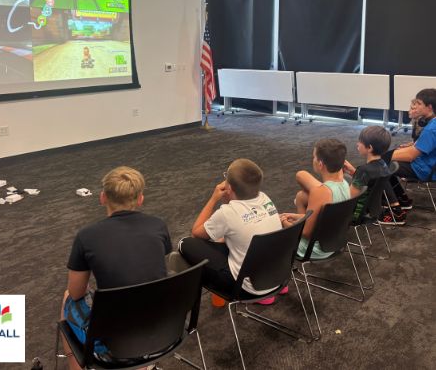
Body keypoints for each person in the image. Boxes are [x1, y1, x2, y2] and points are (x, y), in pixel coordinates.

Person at [60, 167, 172, 370]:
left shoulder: (86, 236)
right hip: (163, 333)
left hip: (114, 346)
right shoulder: (159, 225)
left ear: (103, 198)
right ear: (140, 200)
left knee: (68, 295)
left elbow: (76, 293)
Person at [171, 159, 282, 301]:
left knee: (184, 243)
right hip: (277, 277)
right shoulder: (265, 198)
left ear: (230, 188)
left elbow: (196, 233)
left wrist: (213, 199)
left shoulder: (228, 212)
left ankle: (194, 272)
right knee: (228, 238)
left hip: (247, 288)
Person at [280, 138, 350, 260]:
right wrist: (298, 217)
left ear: (320, 164)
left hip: (314, 250)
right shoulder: (344, 183)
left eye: (314, 157)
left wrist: (284, 222)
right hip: (334, 243)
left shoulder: (319, 192)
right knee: (300, 197)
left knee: (272, 234)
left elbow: (306, 234)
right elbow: (326, 219)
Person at [381, 88, 436, 212]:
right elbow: (415, 148)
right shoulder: (432, 124)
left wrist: (382, 157)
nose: (415, 106)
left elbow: (410, 156)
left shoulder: (430, 129)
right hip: (427, 164)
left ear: (429, 107)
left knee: (381, 165)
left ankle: (394, 207)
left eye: (419, 104)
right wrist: (388, 154)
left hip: (425, 169)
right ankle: (403, 199)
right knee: (387, 158)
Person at [343, 126, 402, 224]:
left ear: (369, 148)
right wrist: (354, 172)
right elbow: (369, 183)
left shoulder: (363, 170)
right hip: (372, 211)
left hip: (355, 214)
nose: (358, 144)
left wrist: (336, 178)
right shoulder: (383, 164)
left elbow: (350, 199)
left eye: (360, 142)